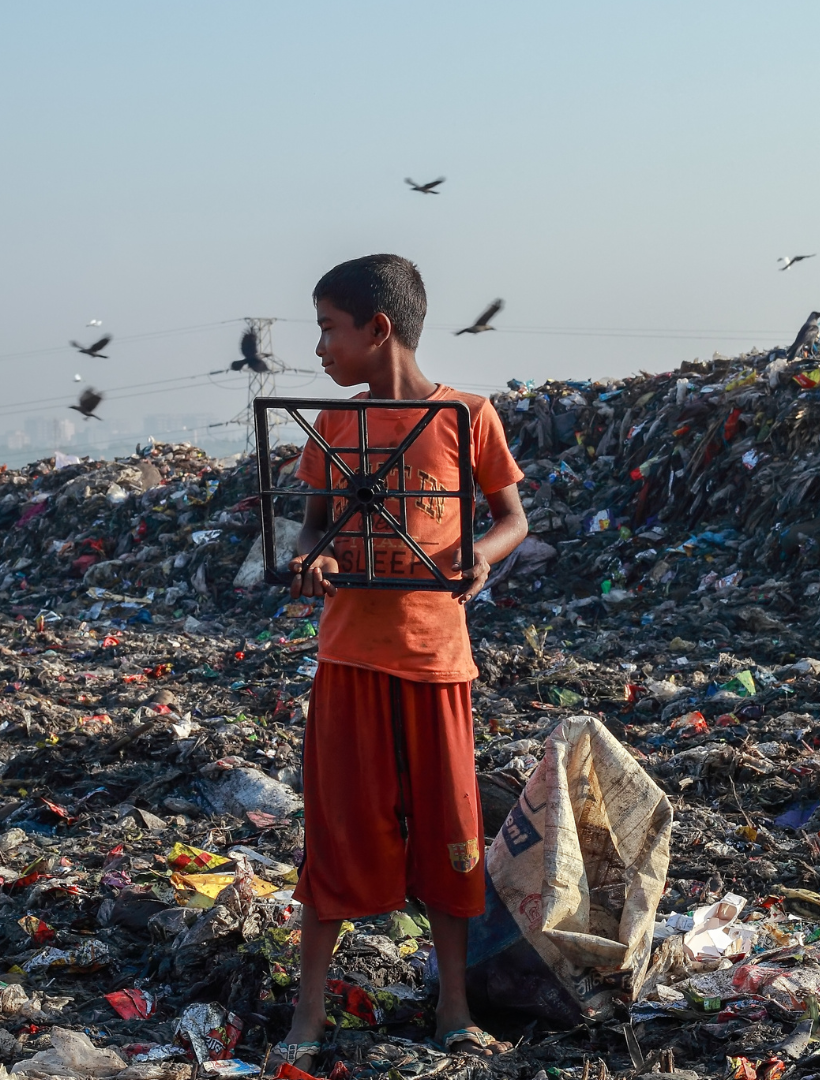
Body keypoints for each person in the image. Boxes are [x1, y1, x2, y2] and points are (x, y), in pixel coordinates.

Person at [271, 255, 529, 1070]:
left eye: (326, 329)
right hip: (349, 659)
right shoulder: (333, 427)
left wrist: (484, 557)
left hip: (437, 663)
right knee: (339, 830)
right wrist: (311, 560)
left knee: (451, 838)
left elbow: (511, 517)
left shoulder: (466, 417)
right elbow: (311, 529)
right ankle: (308, 1018)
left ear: (377, 330)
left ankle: (454, 1008)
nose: (317, 349)